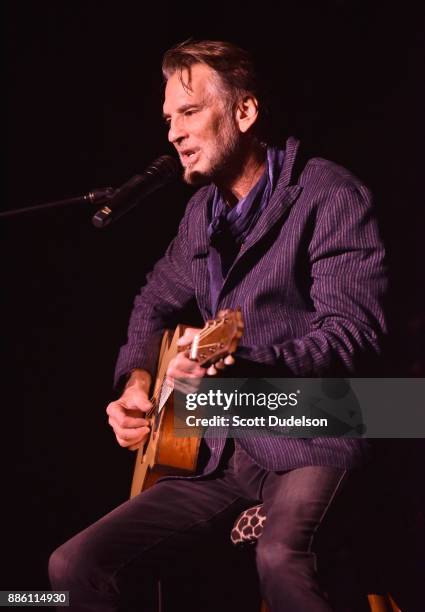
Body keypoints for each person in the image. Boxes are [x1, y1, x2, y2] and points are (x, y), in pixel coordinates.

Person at [49, 40, 387, 611]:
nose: (173, 133)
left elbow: (353, 335)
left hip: (314, 434)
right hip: (221, 452)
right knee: (74, 564)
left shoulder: (330, 196)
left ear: (244, 112)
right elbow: (152, 302)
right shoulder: (201, 215)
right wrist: (135, 382)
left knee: (282, 557)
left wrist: (245, 364)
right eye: (168, 119)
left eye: (189, 112)